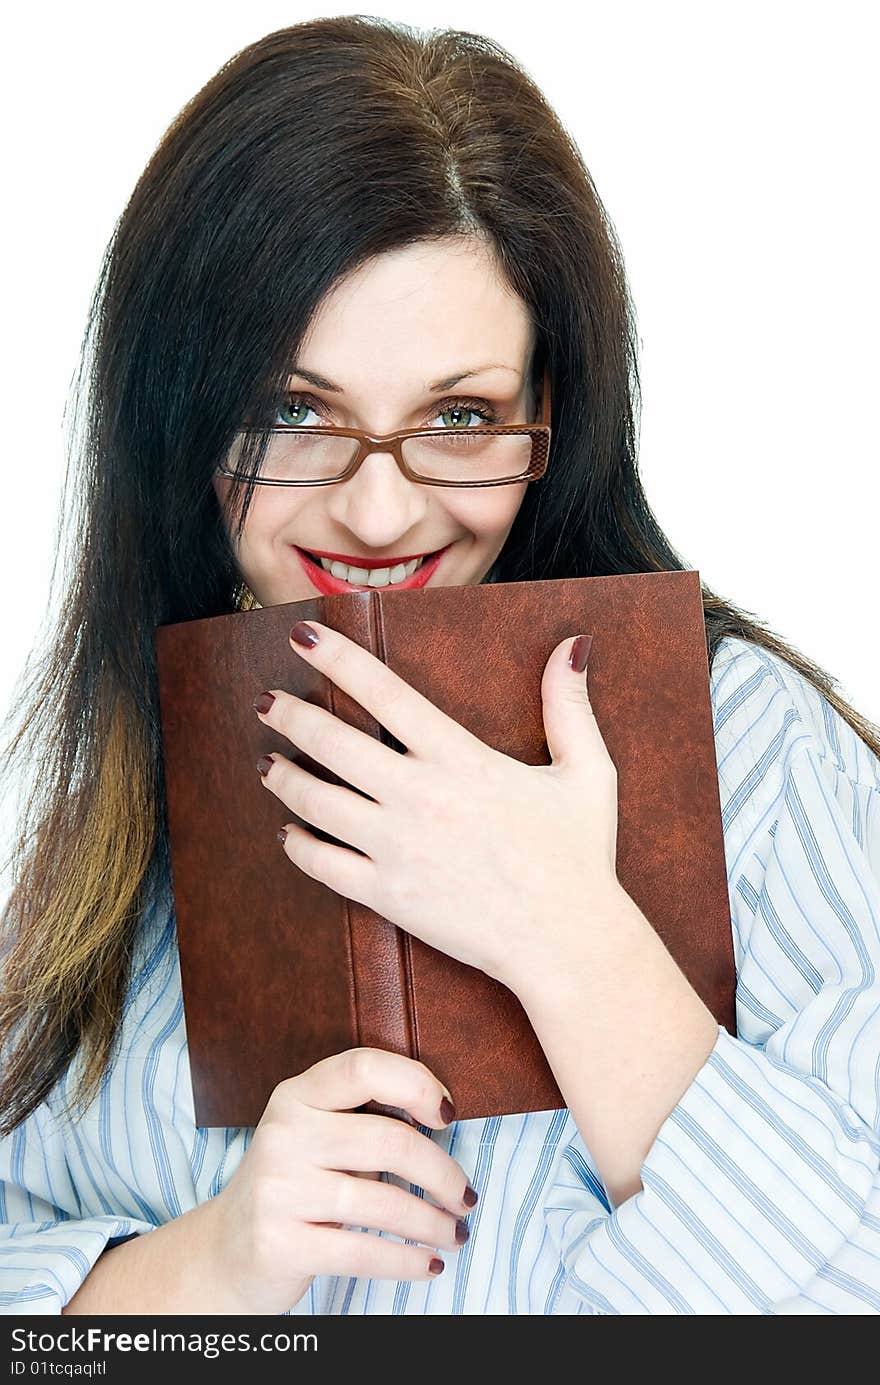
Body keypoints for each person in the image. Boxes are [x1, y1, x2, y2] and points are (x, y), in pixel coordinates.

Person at [1, 16, 879, 1317]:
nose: (375, 514)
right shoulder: (130, 804)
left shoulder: (750, 753)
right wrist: (220, 1259)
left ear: (551, 416)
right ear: (173, 411)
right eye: (295, 409)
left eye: (459, 418)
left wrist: (570, 938)